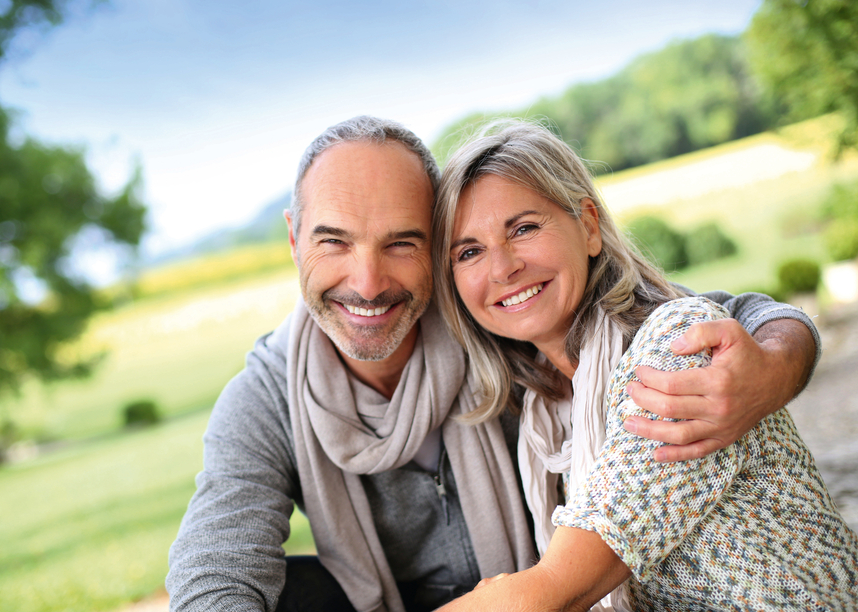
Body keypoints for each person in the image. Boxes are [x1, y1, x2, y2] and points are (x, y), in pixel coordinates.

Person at [166, 116, 822, 612]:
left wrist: (774, 363)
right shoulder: (273, 395)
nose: (367, 282)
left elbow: (720, 316)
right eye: (334, 241)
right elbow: (215, 573)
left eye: (401, 243)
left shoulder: (501, 334)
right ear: (292, 238)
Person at [431, 120, 858, 611]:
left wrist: (785, 352)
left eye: (524, 228)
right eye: (469, 252)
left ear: (589, 227)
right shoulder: (543, 415)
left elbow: (550, 593)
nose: (502, 268)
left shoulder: (675, 350)